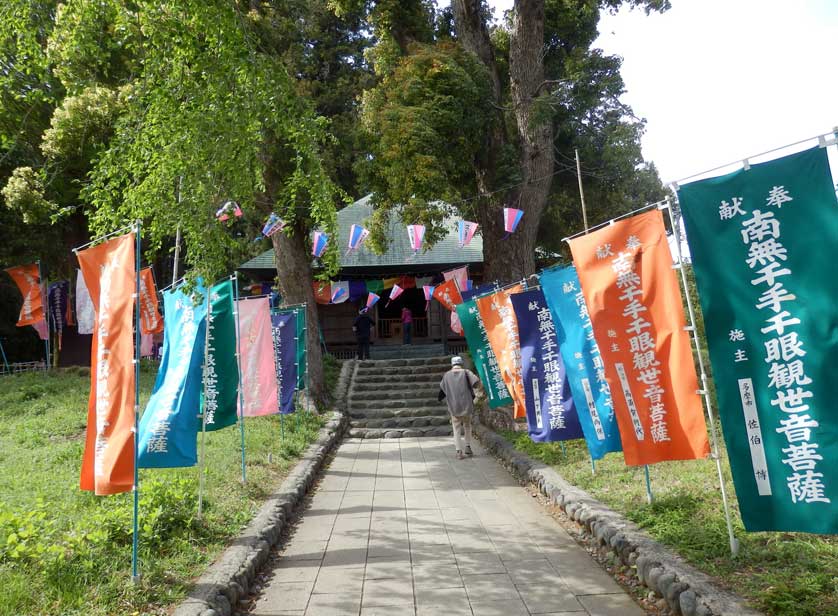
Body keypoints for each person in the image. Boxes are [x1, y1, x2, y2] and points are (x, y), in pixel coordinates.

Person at [438, 356, 481, 459]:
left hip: (454, 406)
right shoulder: (466, 372)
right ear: (461, 363)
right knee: (467, 426)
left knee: (456, 428)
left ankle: (458, 451)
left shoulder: (447, 375)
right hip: (467, 405)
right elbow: (477, 384)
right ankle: (468, 447)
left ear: (452, 364)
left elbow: (442, 389)